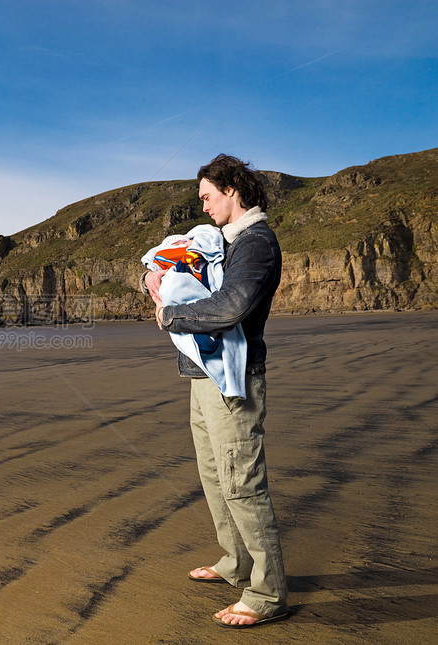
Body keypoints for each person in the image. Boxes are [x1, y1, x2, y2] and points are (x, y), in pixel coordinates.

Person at [144, 153, 289, 628]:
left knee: (242, 485)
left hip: (235, 381)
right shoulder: (221, 243)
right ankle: (237, 564)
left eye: (207, 196)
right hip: (202, 379)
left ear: (232, 190)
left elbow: (230, 307)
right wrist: (155, 279)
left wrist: (170, 314)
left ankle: (267, 593)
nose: (203, 206)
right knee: (215, 479)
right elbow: (177, 270)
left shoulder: (256, 243)